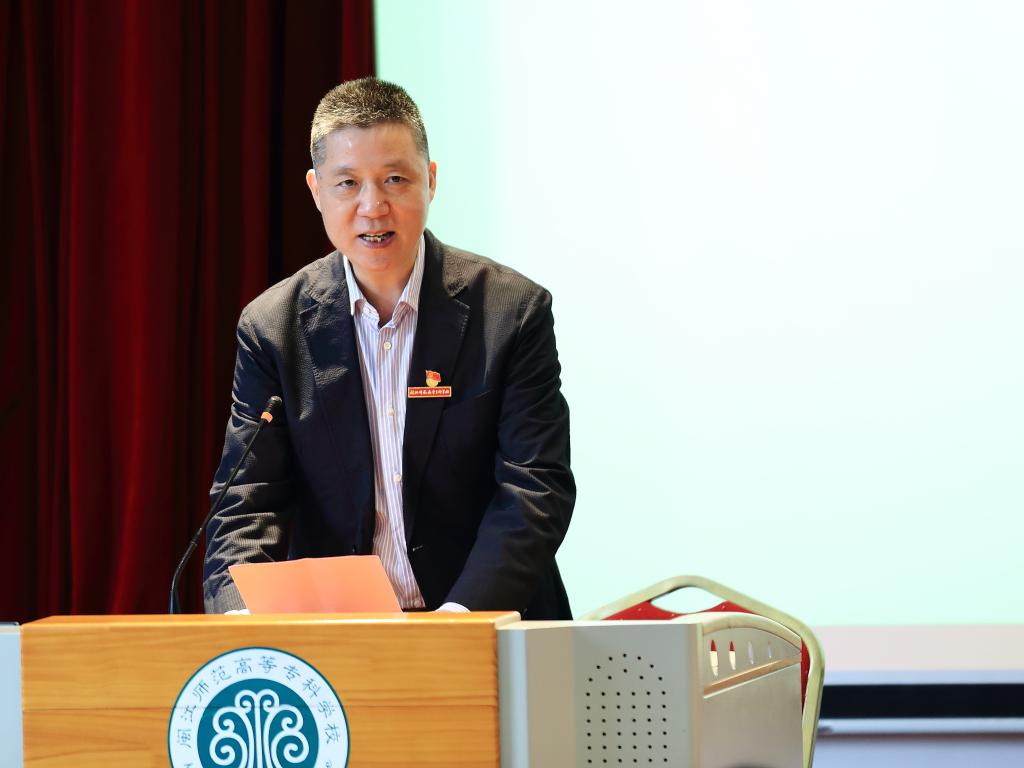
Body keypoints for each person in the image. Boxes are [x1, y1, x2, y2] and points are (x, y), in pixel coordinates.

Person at [202, 78, 575, 618]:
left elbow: (534, 487)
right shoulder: (272, 327)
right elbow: (246, 502)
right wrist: (242, 622)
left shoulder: (511, 312)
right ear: (316, 191)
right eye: (348, 183)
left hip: (488, 625)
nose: (372, 207)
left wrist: (463, 620)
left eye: (395, 179)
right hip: (344, 637)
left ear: (431, 180)